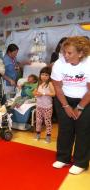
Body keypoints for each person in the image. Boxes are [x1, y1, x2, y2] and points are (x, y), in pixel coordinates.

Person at [51, 36, 90, 175]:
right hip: (64, 98)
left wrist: (80, 107)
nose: (65, 56)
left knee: (83, 130)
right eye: (64, 52)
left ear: (80, 53)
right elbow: (57, 87)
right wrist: (66, 106)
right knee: (65, 129)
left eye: (69, 53)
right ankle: (63, 158)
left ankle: (81, 162)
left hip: (85, 99)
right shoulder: (59, 63)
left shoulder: (88, 63)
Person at [33, 67, 55, 143]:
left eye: (46, 75)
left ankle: (48, 137)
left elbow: (53, 94)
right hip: (39, 106)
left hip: (47, 107)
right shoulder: (39, 83)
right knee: (38, 121)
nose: (44, 76)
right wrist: (36, 94)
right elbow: (34, 92)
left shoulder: (50, 83)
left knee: (47, 122)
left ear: (49, 76)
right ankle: (37, 135)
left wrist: (43, 93)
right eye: (42, 74)